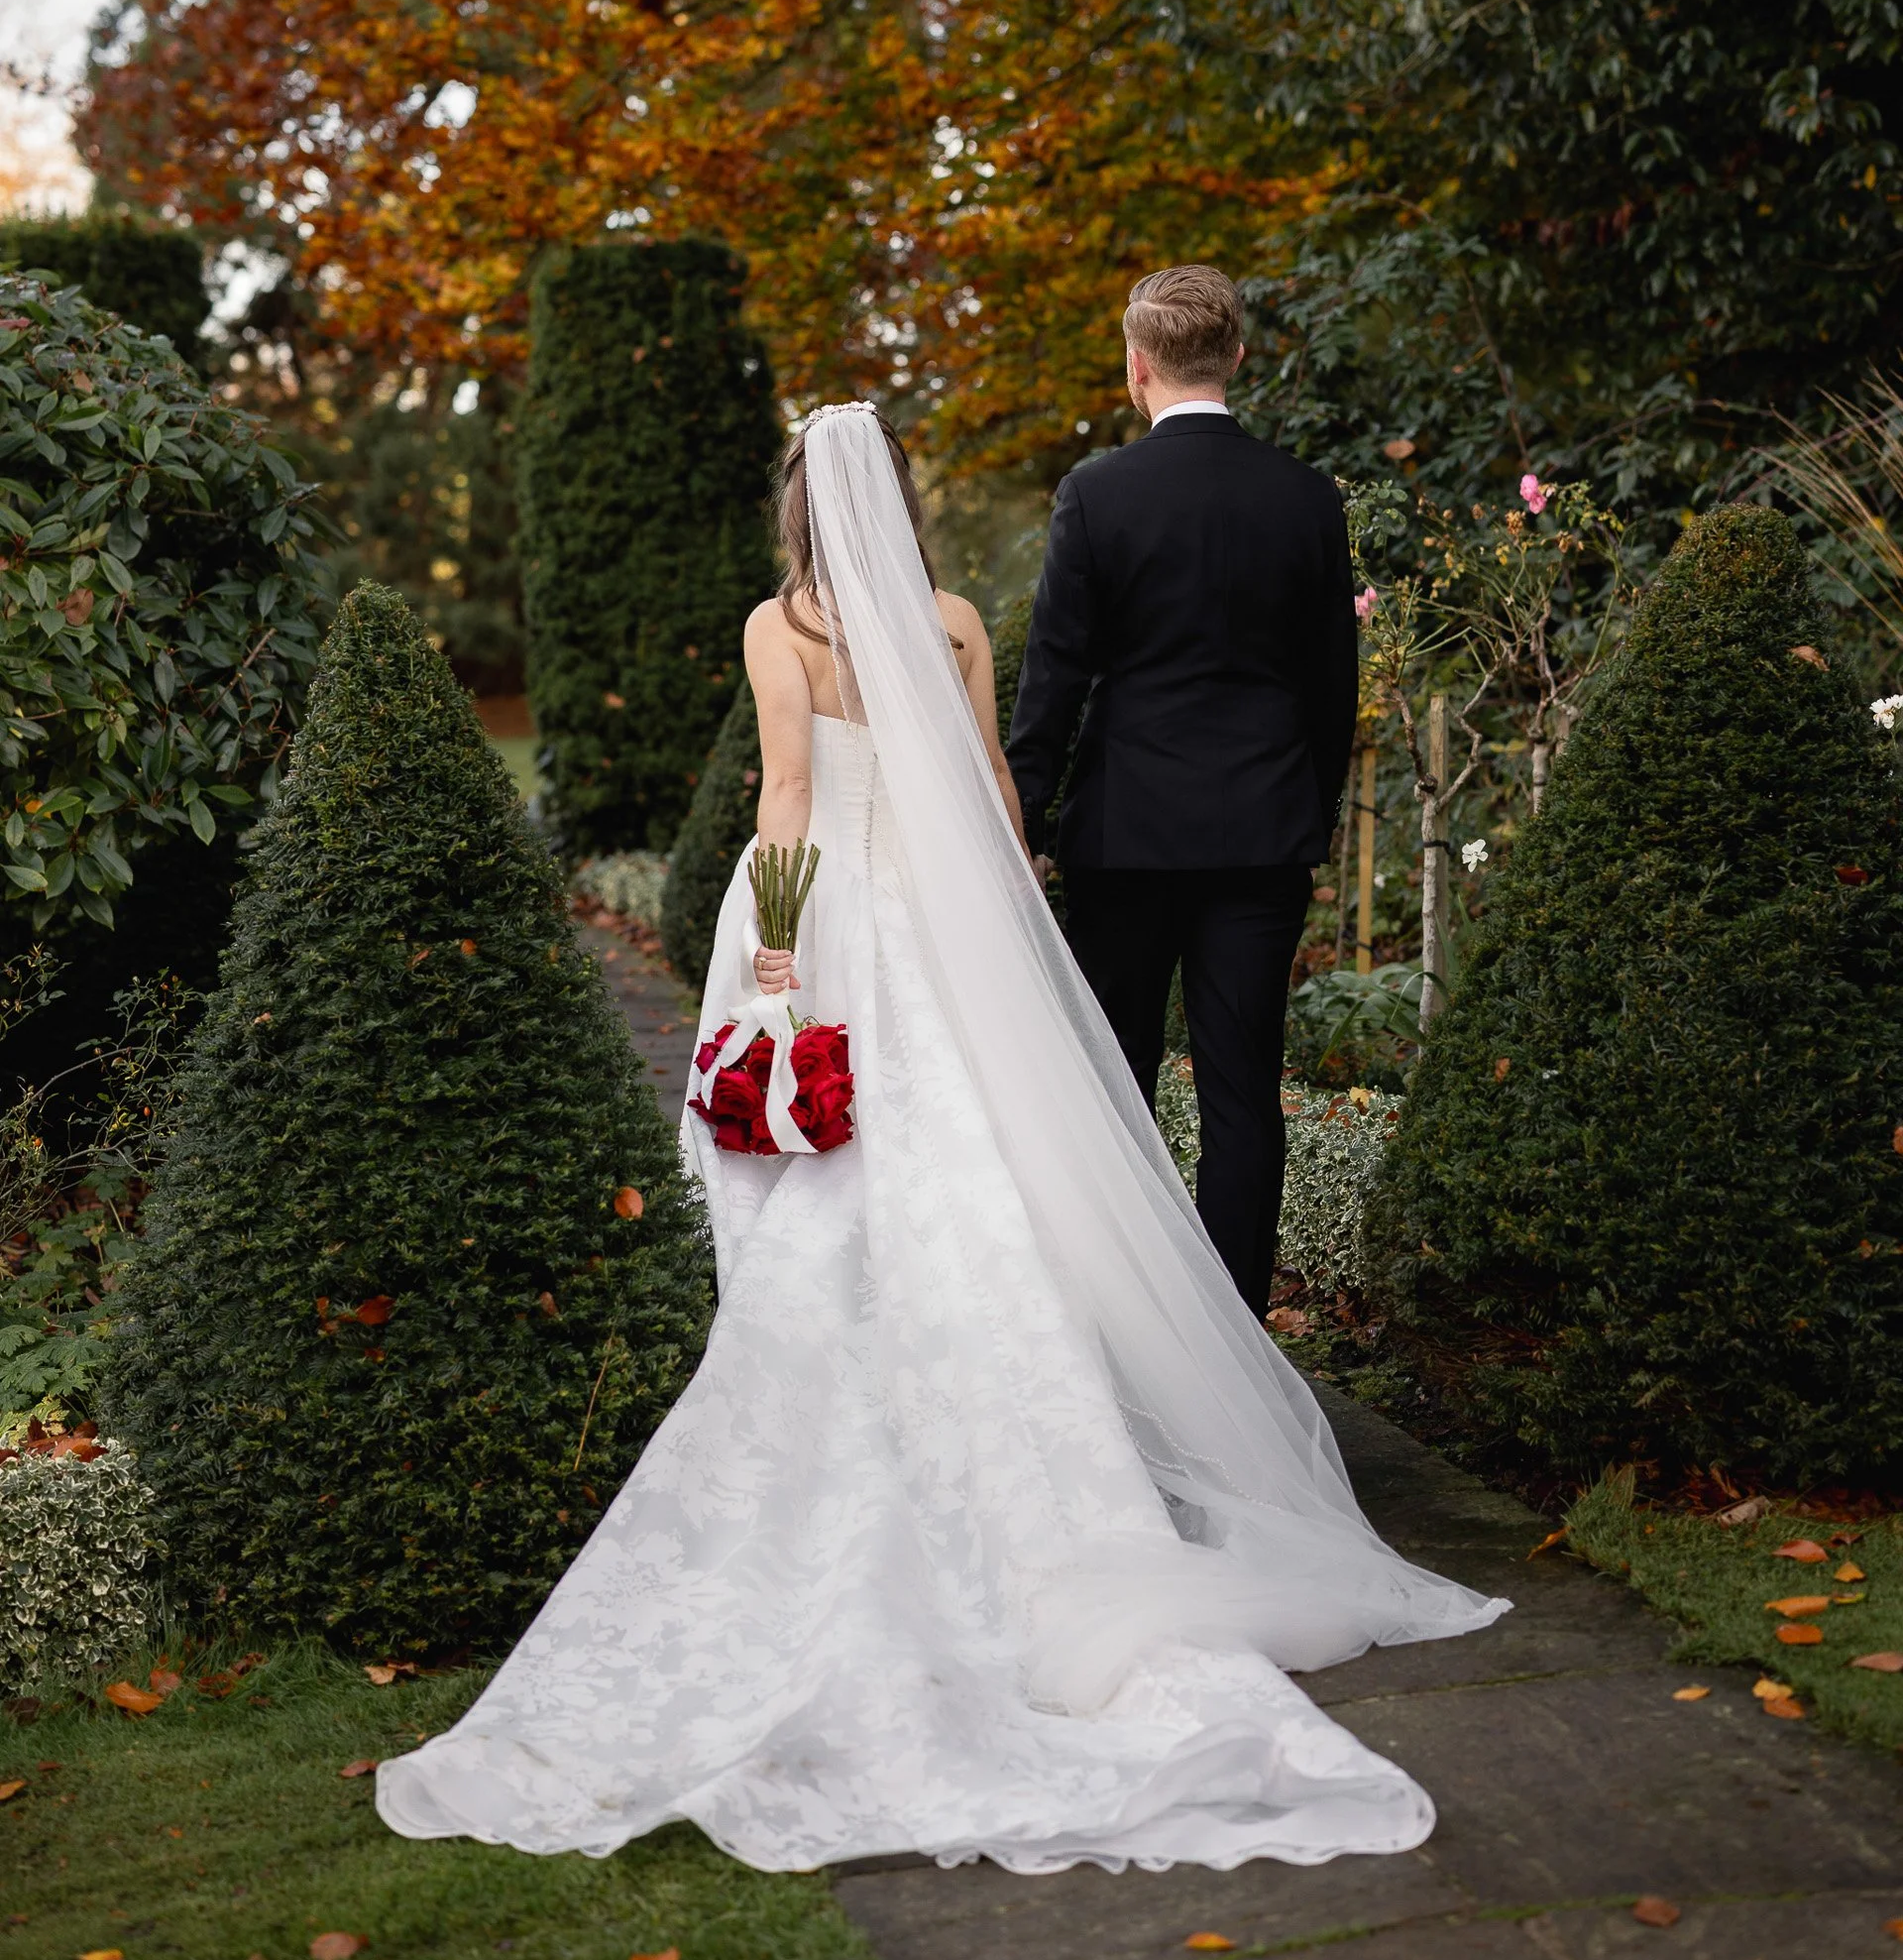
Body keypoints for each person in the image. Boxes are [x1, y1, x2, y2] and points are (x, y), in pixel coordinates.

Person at [377, 404, 1503, 1875]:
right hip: (935, 919)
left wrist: (776, 956)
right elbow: (989, 785)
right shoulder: (956, 615)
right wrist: (1007, 914)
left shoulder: (776, 626)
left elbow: (784, 796)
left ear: (796, 504)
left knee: (825, 1171)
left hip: (828, 909)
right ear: (898, 496)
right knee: (982, 1160)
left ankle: (861, 1371)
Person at [1008, 266, 1356, 1317]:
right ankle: (1235, 1337)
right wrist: (1312, 814)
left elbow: (1053, 677)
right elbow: (1331, 685)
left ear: (1136, 364)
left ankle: (1126, 1320)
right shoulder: (1305, 495)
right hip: (1261, 839)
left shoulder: (1099, 492)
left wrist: (1020, 816)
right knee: (1243, 1089)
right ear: (1238, 358)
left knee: (1117, 1084)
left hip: (1126, 837)